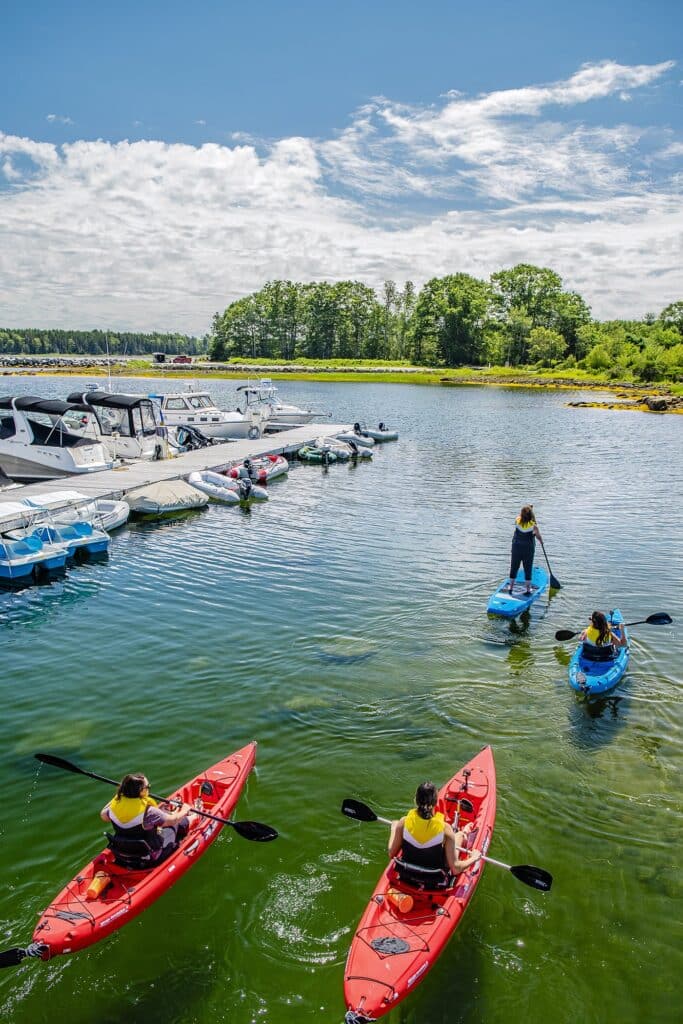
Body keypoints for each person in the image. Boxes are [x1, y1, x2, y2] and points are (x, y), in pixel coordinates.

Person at [388, 781, 481, 882]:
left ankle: (462, 834)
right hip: (433, 881)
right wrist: (474, 858)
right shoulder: (445, 829)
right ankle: (464, 834)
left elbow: (391, 853)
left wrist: (394, 829)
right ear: (436, 803)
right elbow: (455, 869)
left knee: (456, 836)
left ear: (415, 800)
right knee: (459, 835)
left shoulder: (403, 822)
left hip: (407, 874)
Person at [100, 773, 194, 867]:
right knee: (179, 822)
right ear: (141, 791)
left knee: (162, 816)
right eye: (148, 787)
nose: (149, 789)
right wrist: (185, 810)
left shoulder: (111, 809)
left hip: (125, 852)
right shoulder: (149, 812)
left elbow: (103, 816)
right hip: (149, 857)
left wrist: (119, 796)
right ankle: (193, 817)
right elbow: (173, 820)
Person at [505, 505, 543, 596]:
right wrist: (541, 541)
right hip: (528, 550)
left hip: (516, 548)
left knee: (514, 567)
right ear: (531, 515)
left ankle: (511, 587)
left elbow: (520, 516)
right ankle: (528, 589)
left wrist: (529, 509)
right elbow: (538, 536)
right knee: (528, 568)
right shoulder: (534, 526)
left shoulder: (517, 521)